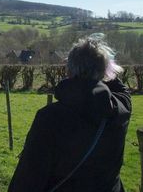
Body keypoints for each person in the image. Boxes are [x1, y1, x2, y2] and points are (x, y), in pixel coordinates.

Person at [8, 34, 132, 192]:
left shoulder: (49, 117)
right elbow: (120, 88)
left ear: (68, 70)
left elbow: (29, 177)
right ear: (104, 71)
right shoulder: (120, 110)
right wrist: (101, 61)